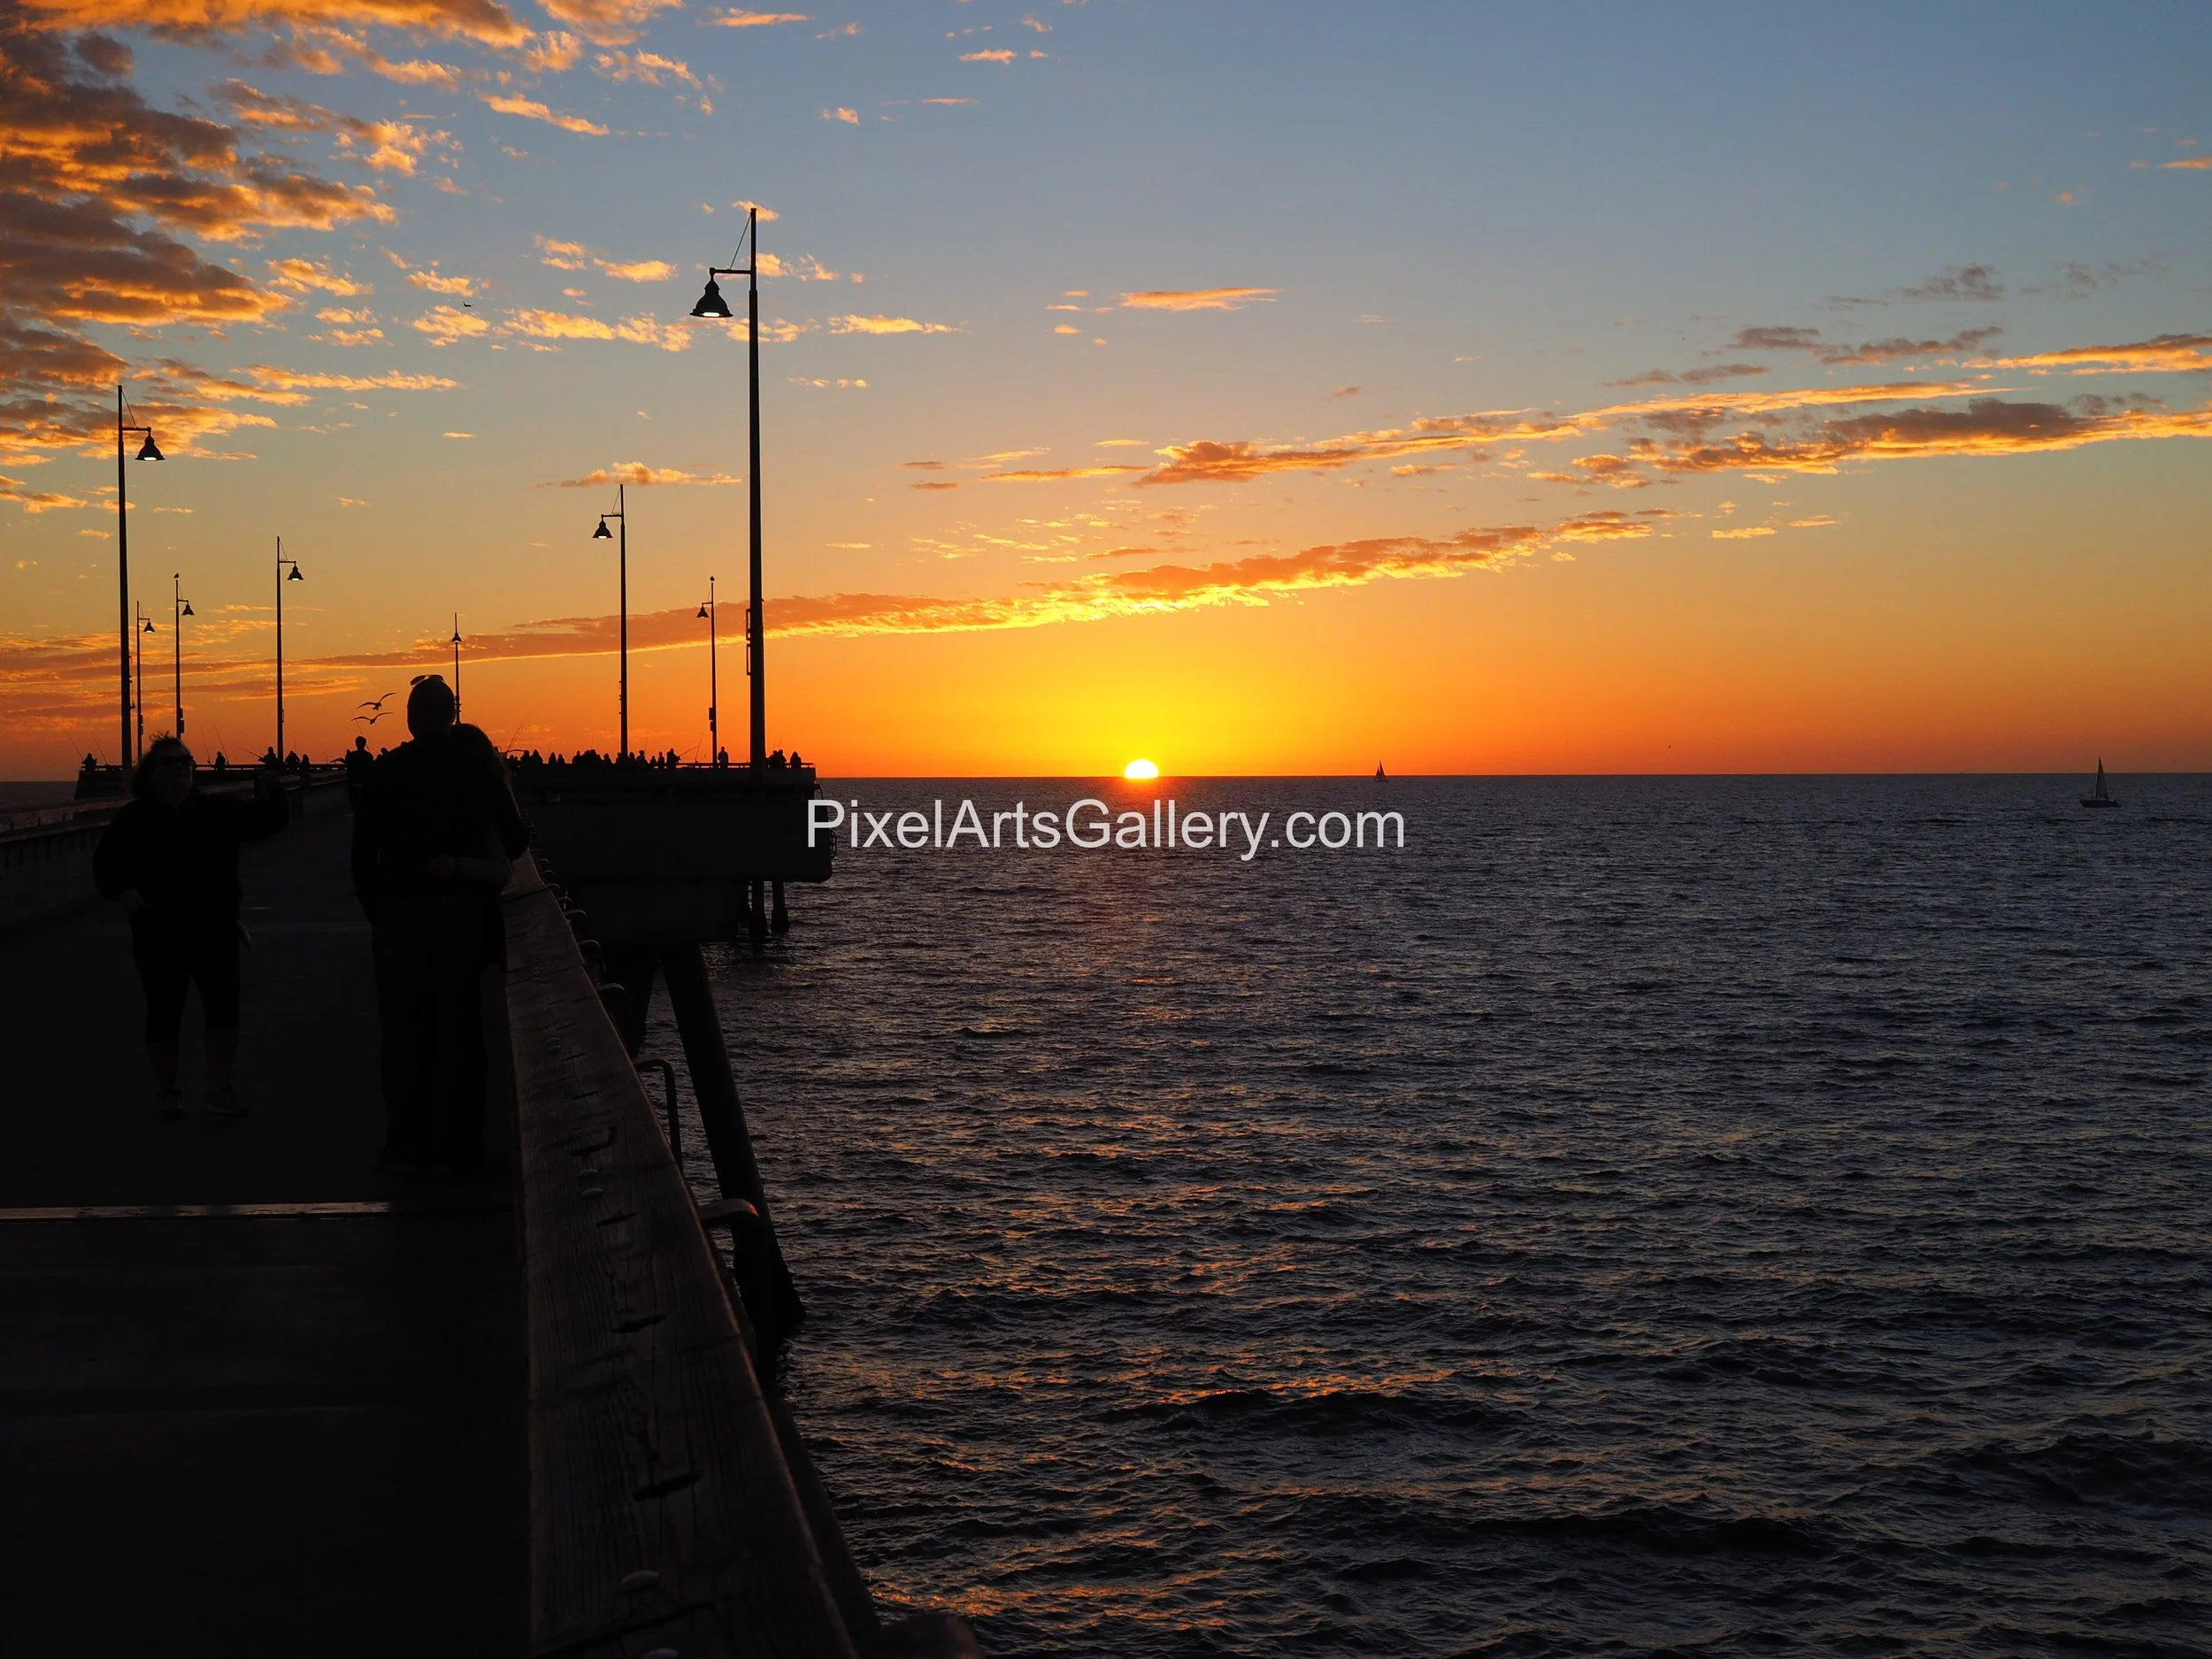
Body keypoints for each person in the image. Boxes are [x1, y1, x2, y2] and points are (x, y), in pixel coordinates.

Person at [351, 676, 527, 1178]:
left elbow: (362, 856)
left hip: (401, 916)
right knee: (461, 1033)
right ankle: (463, 1144)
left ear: (409, 719)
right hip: (462, 918)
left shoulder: (386, 771)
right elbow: (514, 842)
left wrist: (380, 912)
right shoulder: (476, 768)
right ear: (452, 714)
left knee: (405, 1035)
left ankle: (406, 1143)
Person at [93, 736, 289, 1117]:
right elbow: (105, 866)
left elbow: (266, 822)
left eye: (186, 762)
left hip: (215, 927)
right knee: (164, 1011)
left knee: (223, 1009)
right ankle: (168, 1091)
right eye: (171, 763)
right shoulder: (133, 819)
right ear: (152, 772)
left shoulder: (216, 810)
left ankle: (218, 1088)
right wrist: (123, 890)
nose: (181, 768)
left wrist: (275, 788)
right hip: (158, 932)